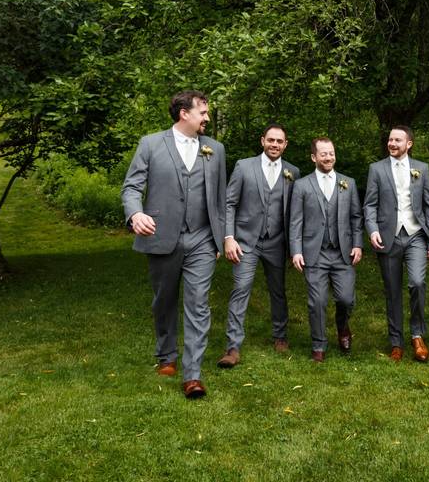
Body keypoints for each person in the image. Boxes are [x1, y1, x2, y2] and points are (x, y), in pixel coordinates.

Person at [121, 90, 227, 399]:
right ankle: (166, 354)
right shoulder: (151, 144)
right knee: (164, 300)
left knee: (198, 303)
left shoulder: (215, 149)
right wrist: (135, 213)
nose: (207, 117)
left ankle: (192, 374)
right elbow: (131, 187)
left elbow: (220, 199)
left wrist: (223, 236)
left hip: (203, 239)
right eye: (203, 112)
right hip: (161, 234)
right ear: (184, 113)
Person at [217, 124, 300, 368]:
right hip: (246, 241)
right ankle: (233, 346)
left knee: (278, 290)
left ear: (285, 144)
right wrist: (229, 237)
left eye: (279, 141)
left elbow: (296, 213)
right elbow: (230, 203)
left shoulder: (293, 172)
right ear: (262, 140)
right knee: (240, 288)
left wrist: (294, 247)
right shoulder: (244, 166)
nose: (275, 144)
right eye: (271, 140)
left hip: (277, 241)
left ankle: (280, 336)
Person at [364, 126, 429, 362]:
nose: (392, 143)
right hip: (389, 236)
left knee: (417, 282)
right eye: (390, 139)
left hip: (415, 233)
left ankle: (417, 335)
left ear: (409, 144)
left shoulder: (421, 169)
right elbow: (370, 205)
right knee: (392, 290)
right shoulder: (376, 169)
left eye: (398, 140)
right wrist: (373, 230)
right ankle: (396, 341)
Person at [289, 138, 364, 362]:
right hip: (315, 252)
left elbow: (356, 217)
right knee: (318, 301)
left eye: (331, 153)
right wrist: (296, 250)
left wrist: (358, 244)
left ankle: (342, 326)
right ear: (314, 157)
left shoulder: (347, 183)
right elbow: (295, 221)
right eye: (323, 154)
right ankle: (319, 345)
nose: (328, 157)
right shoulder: (302, 185)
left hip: (343, 252)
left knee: (346, 299)